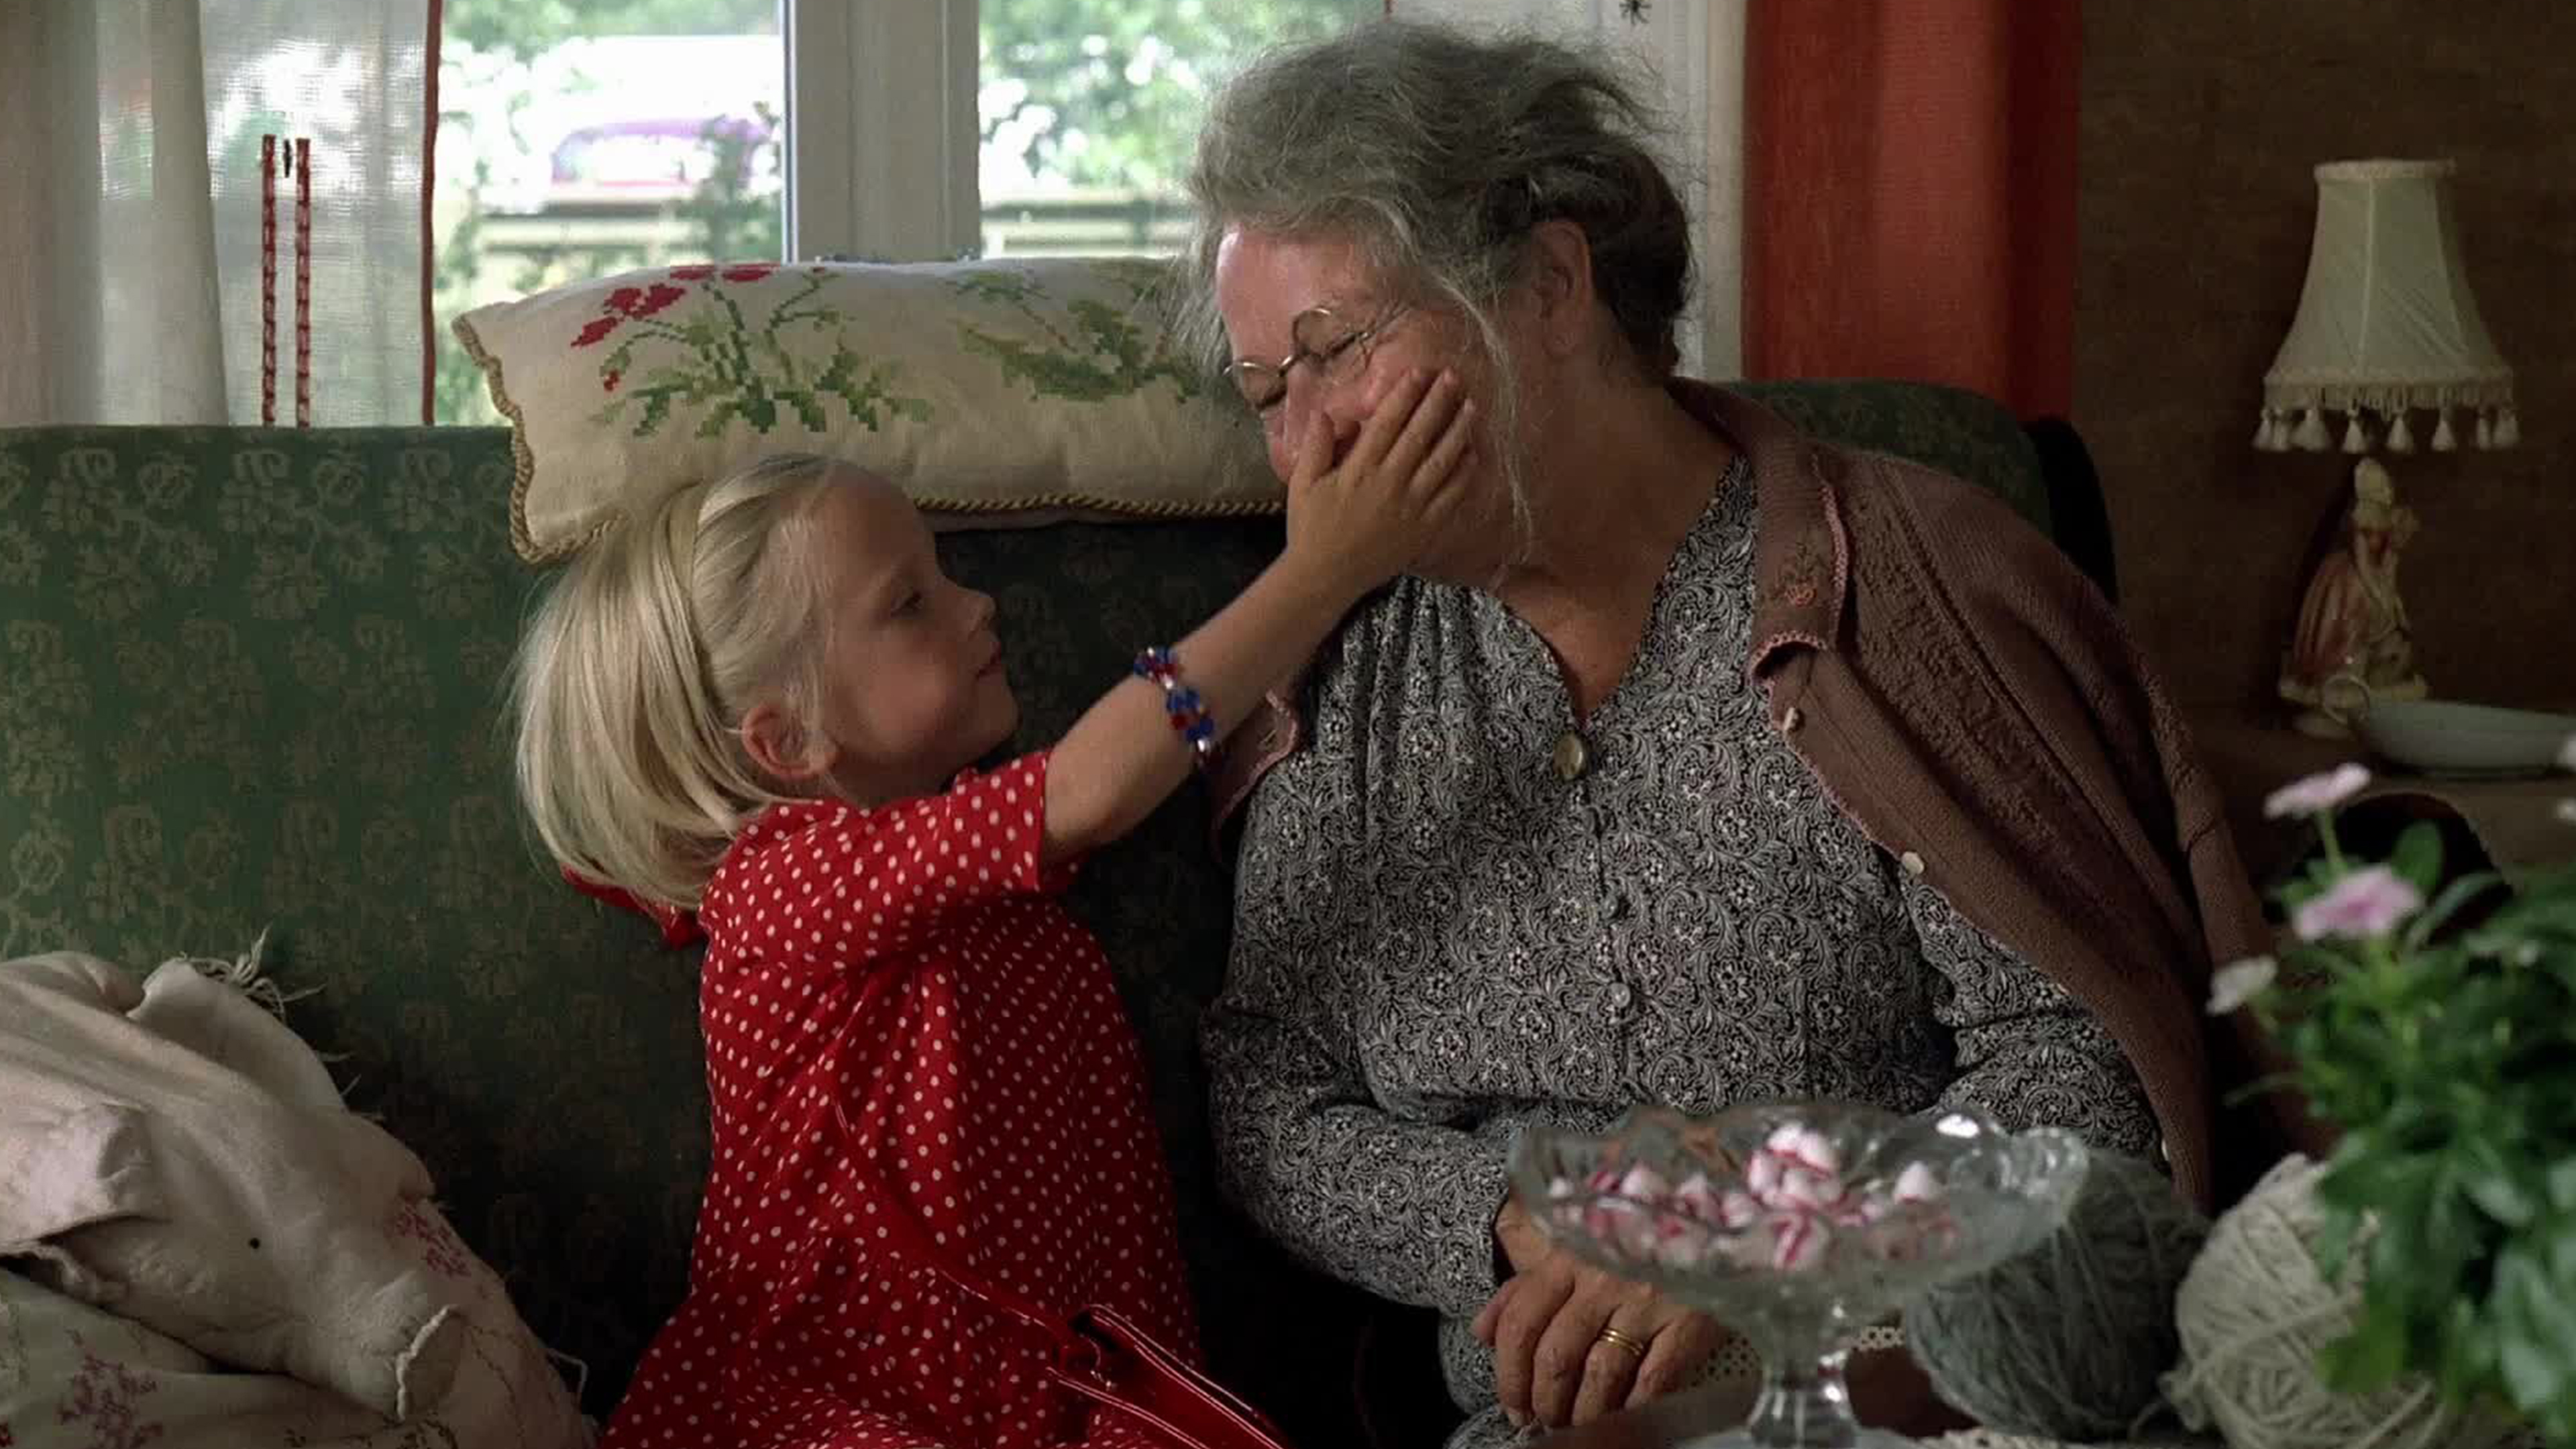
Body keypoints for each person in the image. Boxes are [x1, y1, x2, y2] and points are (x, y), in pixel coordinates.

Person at [1182, 19, 2286, 1448]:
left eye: (1335, 353)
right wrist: (1527, 1217)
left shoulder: (1909, 586)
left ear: (1551, 285)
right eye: (1266, 396)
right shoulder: (1341, 671)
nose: (1307, 450)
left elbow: (2086, 1078)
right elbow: (1269, 1101)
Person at [506, 384, 1472, 1449]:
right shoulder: (778, 885)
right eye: (910, 603)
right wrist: (1322, 569)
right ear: (788, 744)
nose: (980, 607)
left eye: (946, 577)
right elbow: (1096, 787)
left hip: (1061, 1404)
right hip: (844, 1404)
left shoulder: (1003, 894)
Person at [2279, 456, 2426, 734]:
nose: (2386, 490)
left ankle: (2374, 680)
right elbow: (2363, 566)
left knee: (2392, 632)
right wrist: (2379, 596)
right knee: (2347, 631)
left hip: (2374, 582)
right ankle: (2338, 680)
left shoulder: (2391, 521)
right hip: (2351, 583)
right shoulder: (2361, 522)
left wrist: (2391, 601)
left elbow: (2388, 568)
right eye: (2380, 486)